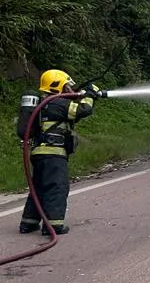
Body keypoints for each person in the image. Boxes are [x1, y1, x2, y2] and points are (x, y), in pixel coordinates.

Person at [18, 69, 101, 235]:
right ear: (57, 87)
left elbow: (70, 116)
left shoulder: (46, 104)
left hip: (39, 154)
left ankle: (29, 222)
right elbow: (83, 110)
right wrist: (91, 95)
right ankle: (53, 225)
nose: (69, 89)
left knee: (39, 187)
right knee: (57, 187)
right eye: (67, 86)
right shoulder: (59, 103)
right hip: (54, 154)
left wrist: (80, 95)